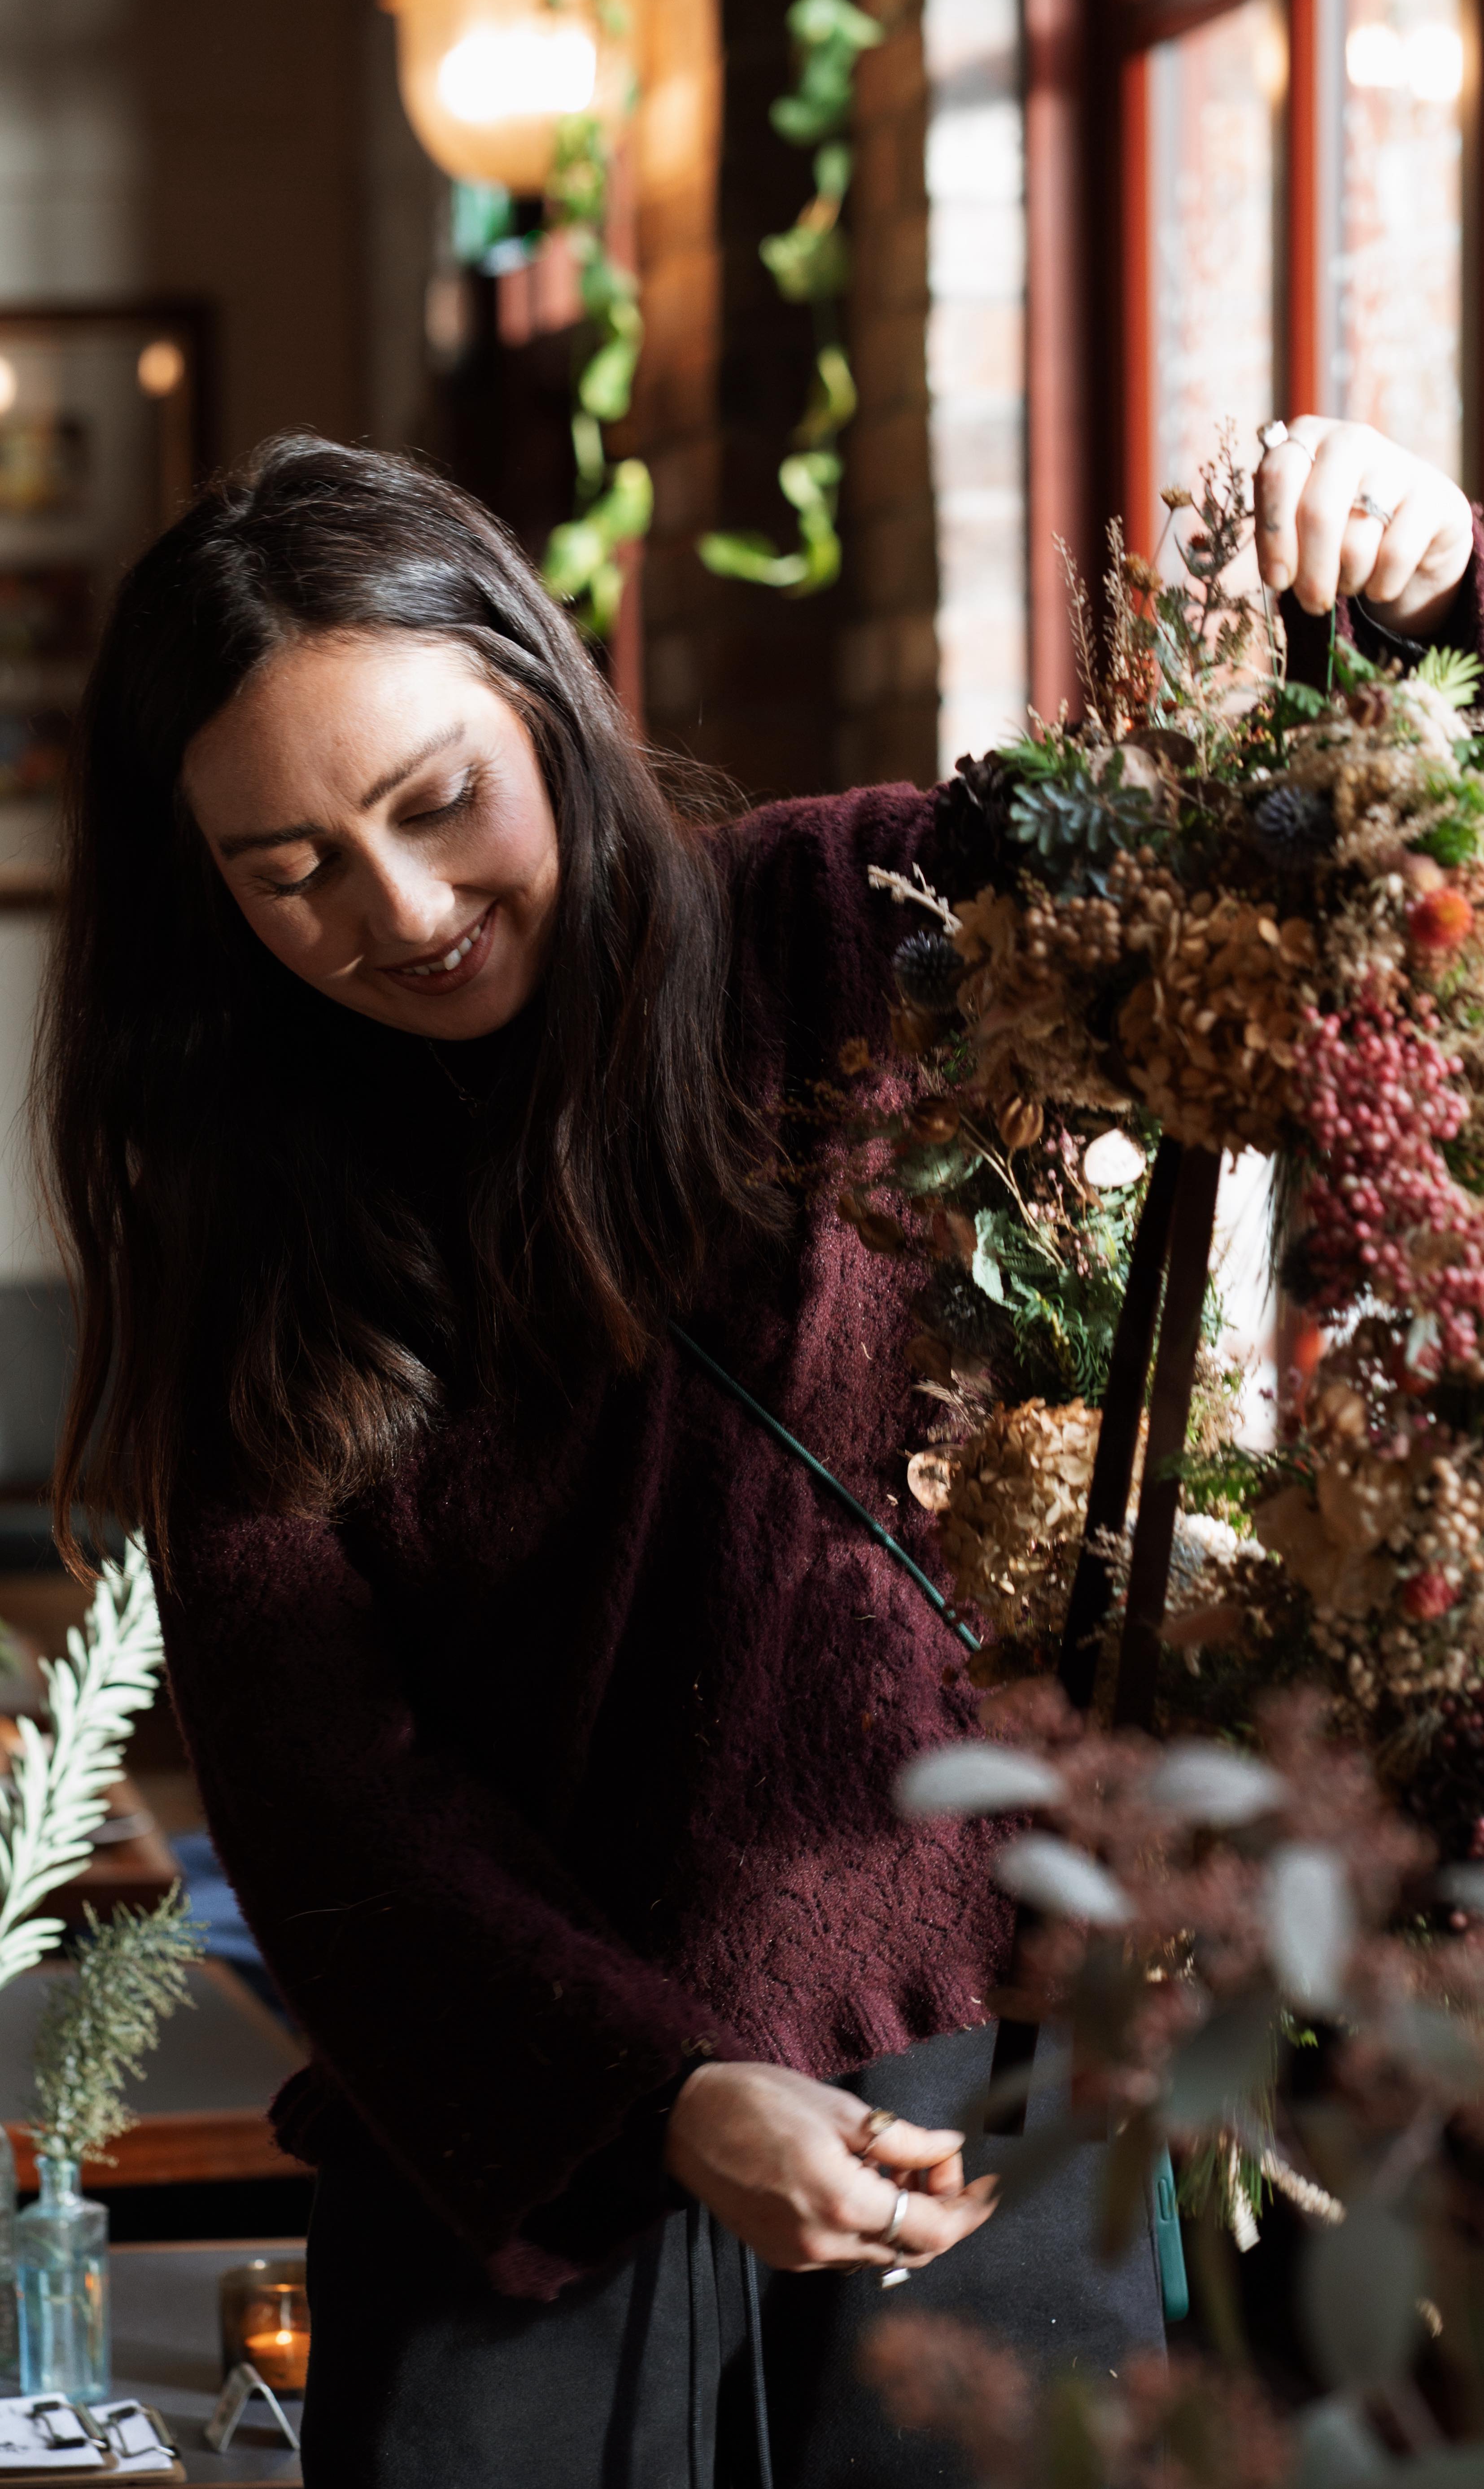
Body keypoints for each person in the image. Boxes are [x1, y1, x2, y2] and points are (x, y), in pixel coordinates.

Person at [34, 416, 1481, 2486]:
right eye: (293, 875)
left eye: (437, 801)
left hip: (964, 2100)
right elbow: (318, 1782)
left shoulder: (839, 914)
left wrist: (1419, 585)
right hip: (508, 2156)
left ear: (540, 692)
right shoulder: (240, 1225)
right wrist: (658, 2089)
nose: (405, 905)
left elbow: (1284, 860)